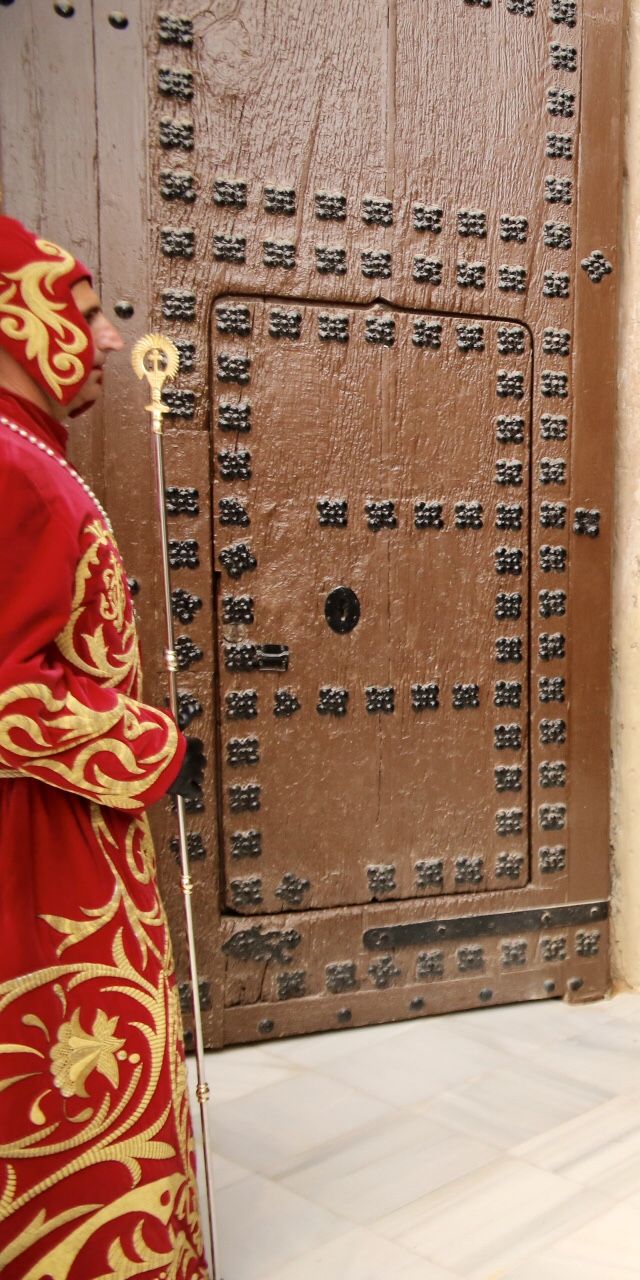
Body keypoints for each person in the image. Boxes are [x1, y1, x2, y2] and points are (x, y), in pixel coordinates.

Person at [0, 215, 209, 1277]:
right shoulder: (14, 469)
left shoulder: (29, 455)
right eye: (84, 309)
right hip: (35, 855)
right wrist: (149, 745)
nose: (111, 338)